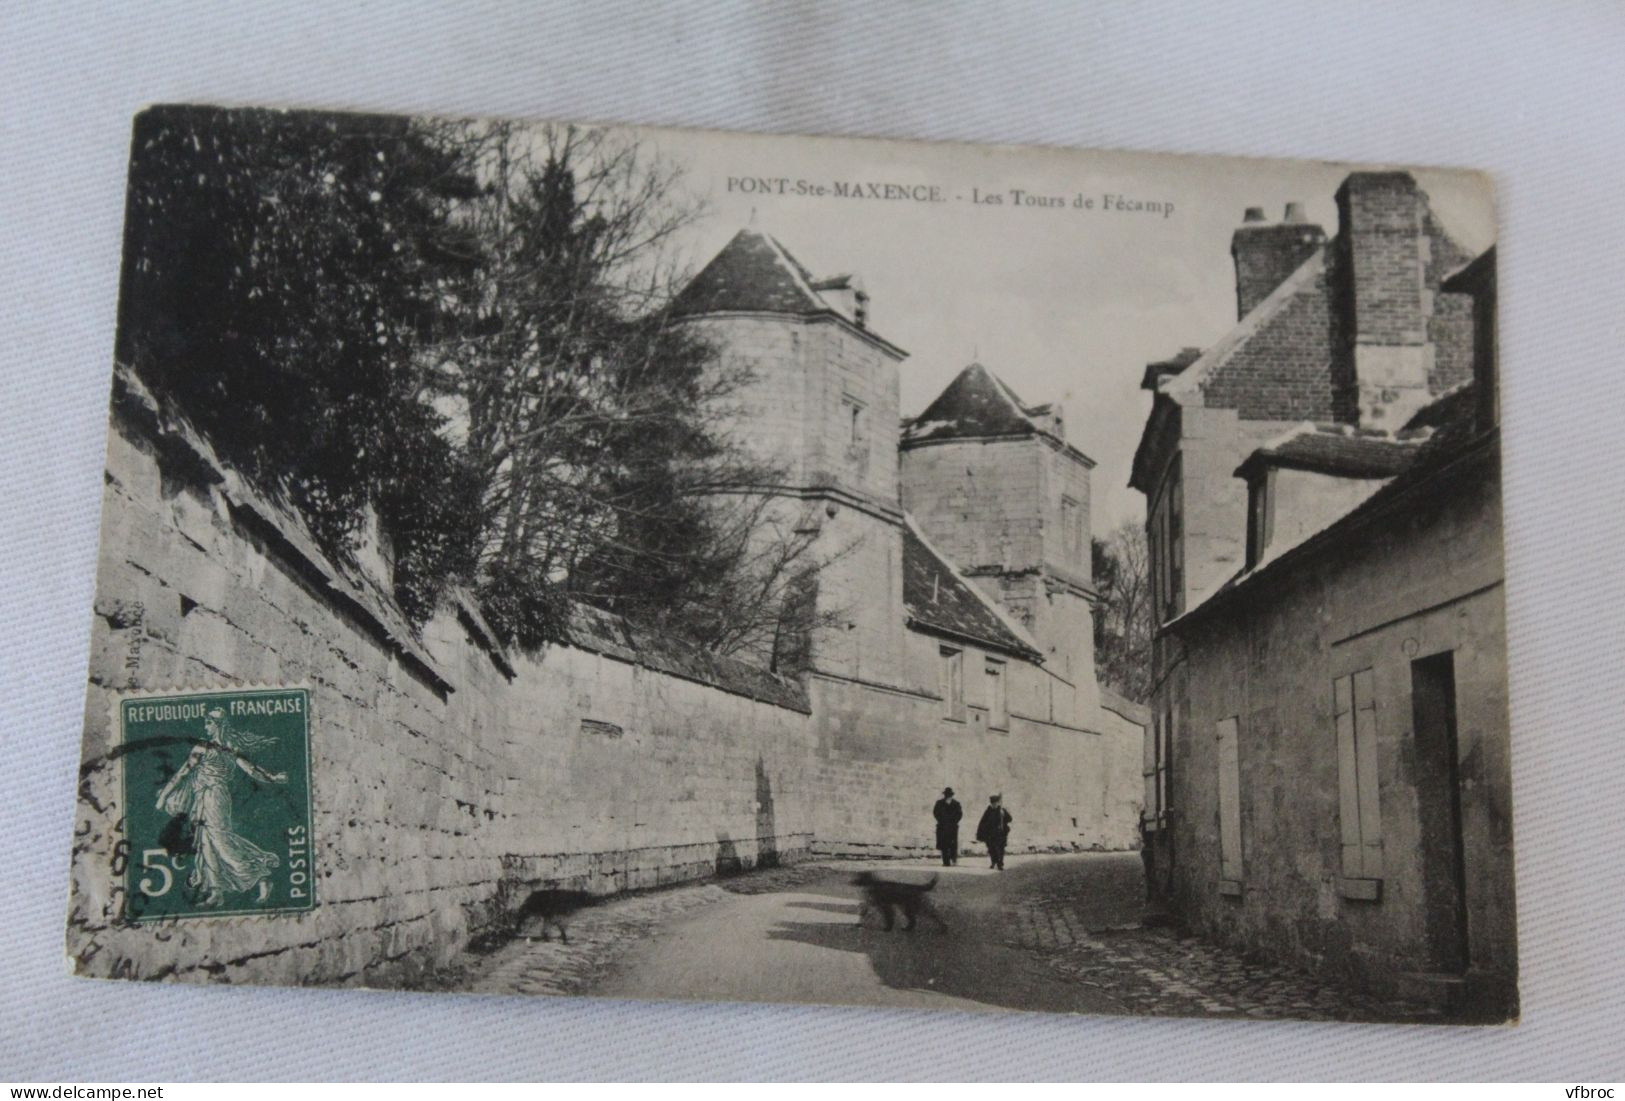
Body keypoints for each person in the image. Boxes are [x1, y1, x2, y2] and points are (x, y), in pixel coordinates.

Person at [155, 707, 287, 907]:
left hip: (214, 797)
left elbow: (183, 773)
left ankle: (260, 875)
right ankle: (217, 892)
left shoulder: (208, 747)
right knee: (206, 842)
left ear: (218, 726)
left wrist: (163, 796)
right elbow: (252, 770)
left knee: (220, 841)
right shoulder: (227, 748)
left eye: (209, 723)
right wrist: (272, 778)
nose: (205, 727)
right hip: (204, 797)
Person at [975, 793, 1013, 871]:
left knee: (1000, 849)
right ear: (991, 803)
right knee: (991, 849)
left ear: (998, 803)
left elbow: (1010, 819)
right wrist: (981, 833)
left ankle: (1000, 864)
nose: (994, 805)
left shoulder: (1002, 810)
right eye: (993, 803)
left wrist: (1005, 814)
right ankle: (993, 862)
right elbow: (982, 822)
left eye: (995, 803)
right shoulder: (988, 811)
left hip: (1000, 834)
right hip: (990, 834)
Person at [932, 787, 962, 866]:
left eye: (949, 795)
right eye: (946, 795)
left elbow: (959, 814)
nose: (948, 797)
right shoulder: (939, 803)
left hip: (952, 827)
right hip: (942, 826)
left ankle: (953, 859)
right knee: (943, 844)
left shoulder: (956, 804)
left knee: (952, 844)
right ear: (944, 795)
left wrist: (954, 821)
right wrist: (941, 820)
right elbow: (935, 813)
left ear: (952, 796)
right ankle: (946, 862)